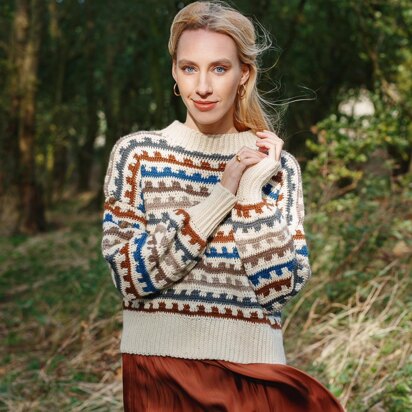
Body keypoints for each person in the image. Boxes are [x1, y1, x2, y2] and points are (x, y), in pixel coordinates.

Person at [101, 1, 345, 411]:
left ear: (243, 74)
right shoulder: (137, 155)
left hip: (253, 370)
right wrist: (221, 195)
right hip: (158, 370)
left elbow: (279, 287)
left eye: (219, 68)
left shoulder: (276, 166)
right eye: (189, 67)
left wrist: (250, 192)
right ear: (175, 73)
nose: (202, 87)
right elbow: (128, 277)